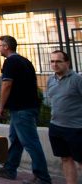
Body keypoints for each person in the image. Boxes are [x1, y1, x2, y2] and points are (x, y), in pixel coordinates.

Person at [0, 35, 52, 184]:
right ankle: (10, 168)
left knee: (30, 143)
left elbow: (7, 85)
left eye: (0, 46)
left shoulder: (10, 62)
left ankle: (43, 177)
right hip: (29, 106)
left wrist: (1, 106)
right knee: (17, 139)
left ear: (6, 47)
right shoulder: (25, 61)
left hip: (21, 109)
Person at [45, 50, 82, 184]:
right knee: (65, 159)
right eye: (52, 61)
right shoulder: (50, 79)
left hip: (76, 128)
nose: (55, 64)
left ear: (67, 63)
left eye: (58, 61)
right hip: (56, 127)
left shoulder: (77, 79)